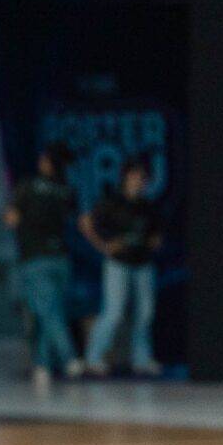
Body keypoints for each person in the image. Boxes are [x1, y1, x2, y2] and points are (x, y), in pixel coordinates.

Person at [4, 141, 79, 387]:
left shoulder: (27, 186)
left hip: (35, 257)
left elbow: (11, 219)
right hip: (60, 257)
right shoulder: (67, 190)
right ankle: (42, 364)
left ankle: (68, 357)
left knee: (47, 313)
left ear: (47, 162)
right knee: (50, 311)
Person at [81, 158, 165, 378]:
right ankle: (93, 358)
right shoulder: (113, 202)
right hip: (118, 263)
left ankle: (141, 359)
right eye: (134, 176)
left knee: (145, 313)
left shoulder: (147, 206)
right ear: (126, 178)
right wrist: (104, 246)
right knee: (114, 312)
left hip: (143, 264)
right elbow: (86, 222)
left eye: (142, 178)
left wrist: (154, 241)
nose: (138, 181)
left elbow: (157, 233)